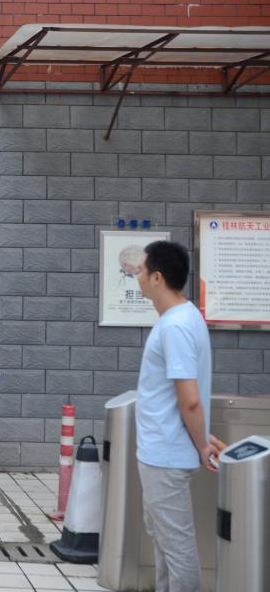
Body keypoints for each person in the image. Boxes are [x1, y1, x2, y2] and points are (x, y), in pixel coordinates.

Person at [135, 240, 218, 592]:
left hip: (165, 455)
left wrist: (202, 445)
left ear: (157, 277)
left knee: (176, 546)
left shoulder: (175, 327)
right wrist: (202, 435)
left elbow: (190, 400)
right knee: (164, 541)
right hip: (164, 450)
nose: (137, 276)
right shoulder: (185, 317)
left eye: (141, 270)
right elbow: (183, 400)